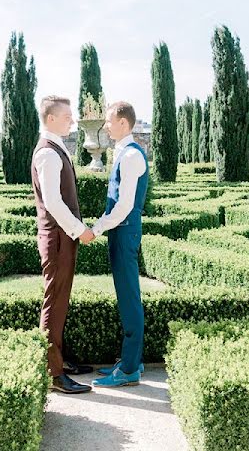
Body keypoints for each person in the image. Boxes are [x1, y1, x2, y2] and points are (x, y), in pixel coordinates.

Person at [31, 95, 95, 394]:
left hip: (61, 238)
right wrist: (79, 230)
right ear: (52, 118)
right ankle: (53, 373)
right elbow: (53, 201)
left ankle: (59, 360)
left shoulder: (56, 149)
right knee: (54, 302)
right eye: (67, 115)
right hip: (58, 238)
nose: (72, 120)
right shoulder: (48, 153)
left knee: (60, 300)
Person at [89, 101, 149, 388]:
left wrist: (97, 228)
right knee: (127, 296)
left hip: (124, 230)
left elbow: (124, 205)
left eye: (110, 121)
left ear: (123, 123)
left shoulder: (130, 156)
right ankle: (131, 361)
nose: (106, 126)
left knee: (129, 298)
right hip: (123, 230)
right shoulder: (125, 153)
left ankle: (128, 369)